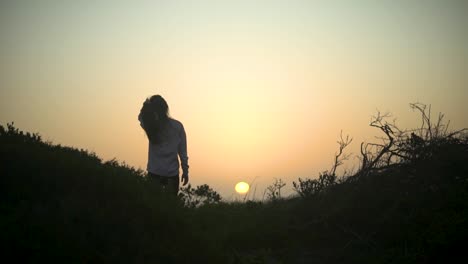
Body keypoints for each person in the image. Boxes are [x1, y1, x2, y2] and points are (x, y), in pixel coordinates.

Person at [138, 95, 189, 196]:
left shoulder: (150, 126)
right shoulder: (177, 126)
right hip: (172, 175)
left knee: (153, 207)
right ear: (165, 108)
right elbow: (182, 152)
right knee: (170, 207)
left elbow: (140, 116)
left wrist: (147, 104)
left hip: (154, 174)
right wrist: (185, 171)